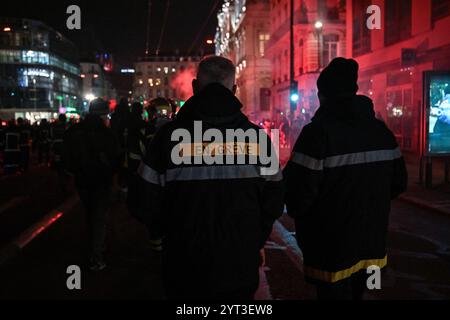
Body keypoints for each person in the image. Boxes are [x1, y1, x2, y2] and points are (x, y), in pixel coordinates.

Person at [138, 56, 284, 300]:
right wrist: (253, 238)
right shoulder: (257, 139)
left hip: (184, 265)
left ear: (195, 87)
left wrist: (171, 234)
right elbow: (275, 201)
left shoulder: (167, 138)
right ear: (234, 89)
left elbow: (143, 201)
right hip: (239, 263)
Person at [284, 58, 408, 300]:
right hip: (371, 246)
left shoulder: (317, 135)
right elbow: (399, 183)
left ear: (323, 95)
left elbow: (297, 194)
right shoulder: (381, 132)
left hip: (330, 248)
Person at [63, 98, 121, 271]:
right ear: (104, 114)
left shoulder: (74, 131)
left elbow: (66, 156)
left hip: (82, 180)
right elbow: (116, 157)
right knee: (99, 218)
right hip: (102, 181)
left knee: (89, 214)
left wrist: (72, 173)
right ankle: (96, 256)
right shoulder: (107, 133)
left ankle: (92, 246)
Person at [51, 114, 68, 193]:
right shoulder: (66, 126)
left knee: (58, 163)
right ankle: (64, 177)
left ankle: (60, 176)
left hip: (56, 147)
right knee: (65, 162)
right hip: (64, 147)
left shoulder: (54, 126)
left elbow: (51, 136)